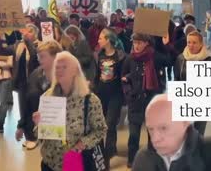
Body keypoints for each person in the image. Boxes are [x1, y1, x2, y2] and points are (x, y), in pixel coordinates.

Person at [33, 51, 107, 171]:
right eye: (57, 67)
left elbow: (101, 130)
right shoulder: (48, 97)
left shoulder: (90, 100)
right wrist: (38, 124)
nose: (59, 70)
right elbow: (41, 136)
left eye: (64, 67)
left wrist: (82, 144)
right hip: (50, 163)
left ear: (75, 71)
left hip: (76, 162)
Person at [133, 94, 211, 171]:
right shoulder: (143, 159)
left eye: (163, 128)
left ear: (184, 123)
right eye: (151, 129)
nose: (155, 138)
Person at [121, 33, 170, 168]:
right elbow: (123, 77)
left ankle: (153, 161)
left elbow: (168, 61)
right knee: (134, 135)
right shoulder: (129, 59)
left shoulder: (154, 57)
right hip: (135, 102)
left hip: (151, 101)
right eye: (135, 43)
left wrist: (165, 46)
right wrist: (128, 92)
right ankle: (132, 160)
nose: (136, 46)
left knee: (153, 135)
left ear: (146, 43)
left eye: (139, 43)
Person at [16, 40, 63, 150]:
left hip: (62, 134)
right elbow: (27, 103)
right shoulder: (35, 75)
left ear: (55, 57)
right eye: (38, 56)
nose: (39, 60)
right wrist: (21, 126)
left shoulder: (66, 78)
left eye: (43, 57)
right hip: (39, 132)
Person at [95, 29, 127, 163]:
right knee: (100, 124)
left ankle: (109, 152)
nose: (98, 40)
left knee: (110, 123)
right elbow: (97, 74)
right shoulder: (99, 55)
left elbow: (123, 74)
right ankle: (102, 150)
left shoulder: (120, 56)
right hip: (101, 94)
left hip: (115, 94)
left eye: (101, 38)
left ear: (108, 40)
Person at [173, 31, 211, 135]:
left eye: (194, 43)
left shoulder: (209, 61)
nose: (191, 45)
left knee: (199, 134)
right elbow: (177, 80)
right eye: (189, 42)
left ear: (201, 44)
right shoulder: (180, 59)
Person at [10, 24, 40, 147]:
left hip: (35, 82)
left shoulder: (39, 45)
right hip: (22, 81)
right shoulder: (19, 45)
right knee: (23, 109)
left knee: (33, 108)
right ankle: (28, 136)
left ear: (35, 34)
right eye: (25, 31)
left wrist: (27, 41)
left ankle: (33, 137)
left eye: (30, 32)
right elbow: (5, 50)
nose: (26, 33)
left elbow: (33, 55)